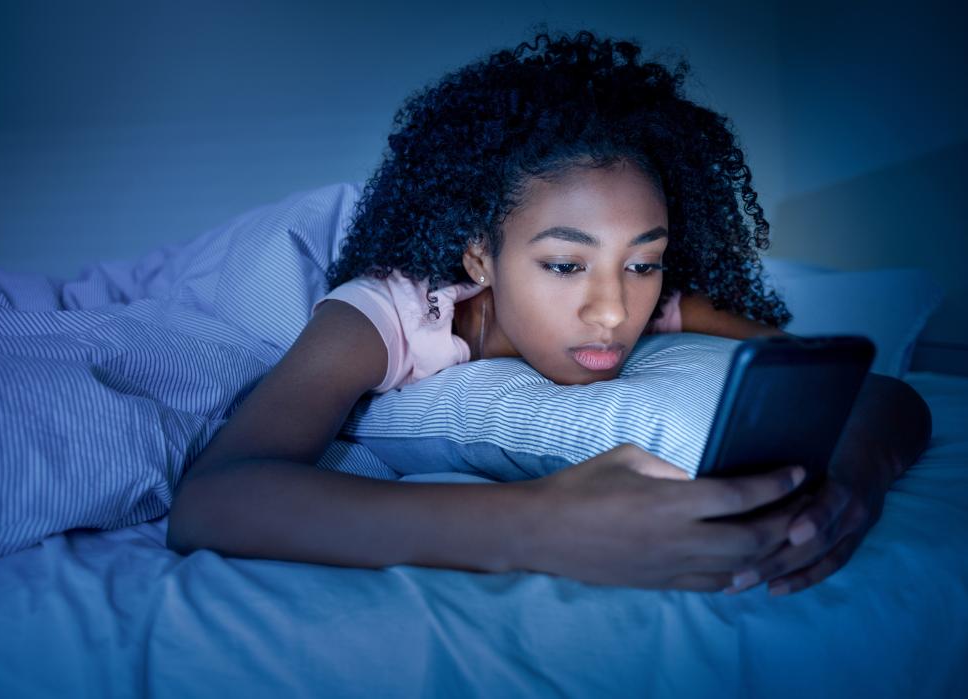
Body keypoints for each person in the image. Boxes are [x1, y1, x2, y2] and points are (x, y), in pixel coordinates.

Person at [166, 30, 932, 596]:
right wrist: (541, 525)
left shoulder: (651, 301)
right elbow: (212, 498)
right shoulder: (389, 309)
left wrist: (853, 480)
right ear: (478, 258)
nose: (611, 310)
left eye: (642, 259)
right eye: (565, 264)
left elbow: (865, 382)